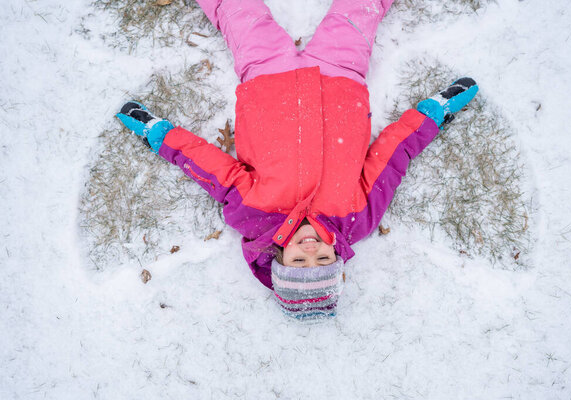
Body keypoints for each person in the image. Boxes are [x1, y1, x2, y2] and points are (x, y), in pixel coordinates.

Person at [116, 0, 479, 321]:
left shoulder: (253, 215)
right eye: (323, 260)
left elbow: (209, 166)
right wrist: (433, 114)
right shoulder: (357, 218)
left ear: (279, 259)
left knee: (239, 13)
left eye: (299, 261)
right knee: (359, 10)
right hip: (341, 75)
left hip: (266, 76)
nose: (311, 251)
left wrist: (158, 134)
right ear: (336, 259)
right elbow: (394, 154)